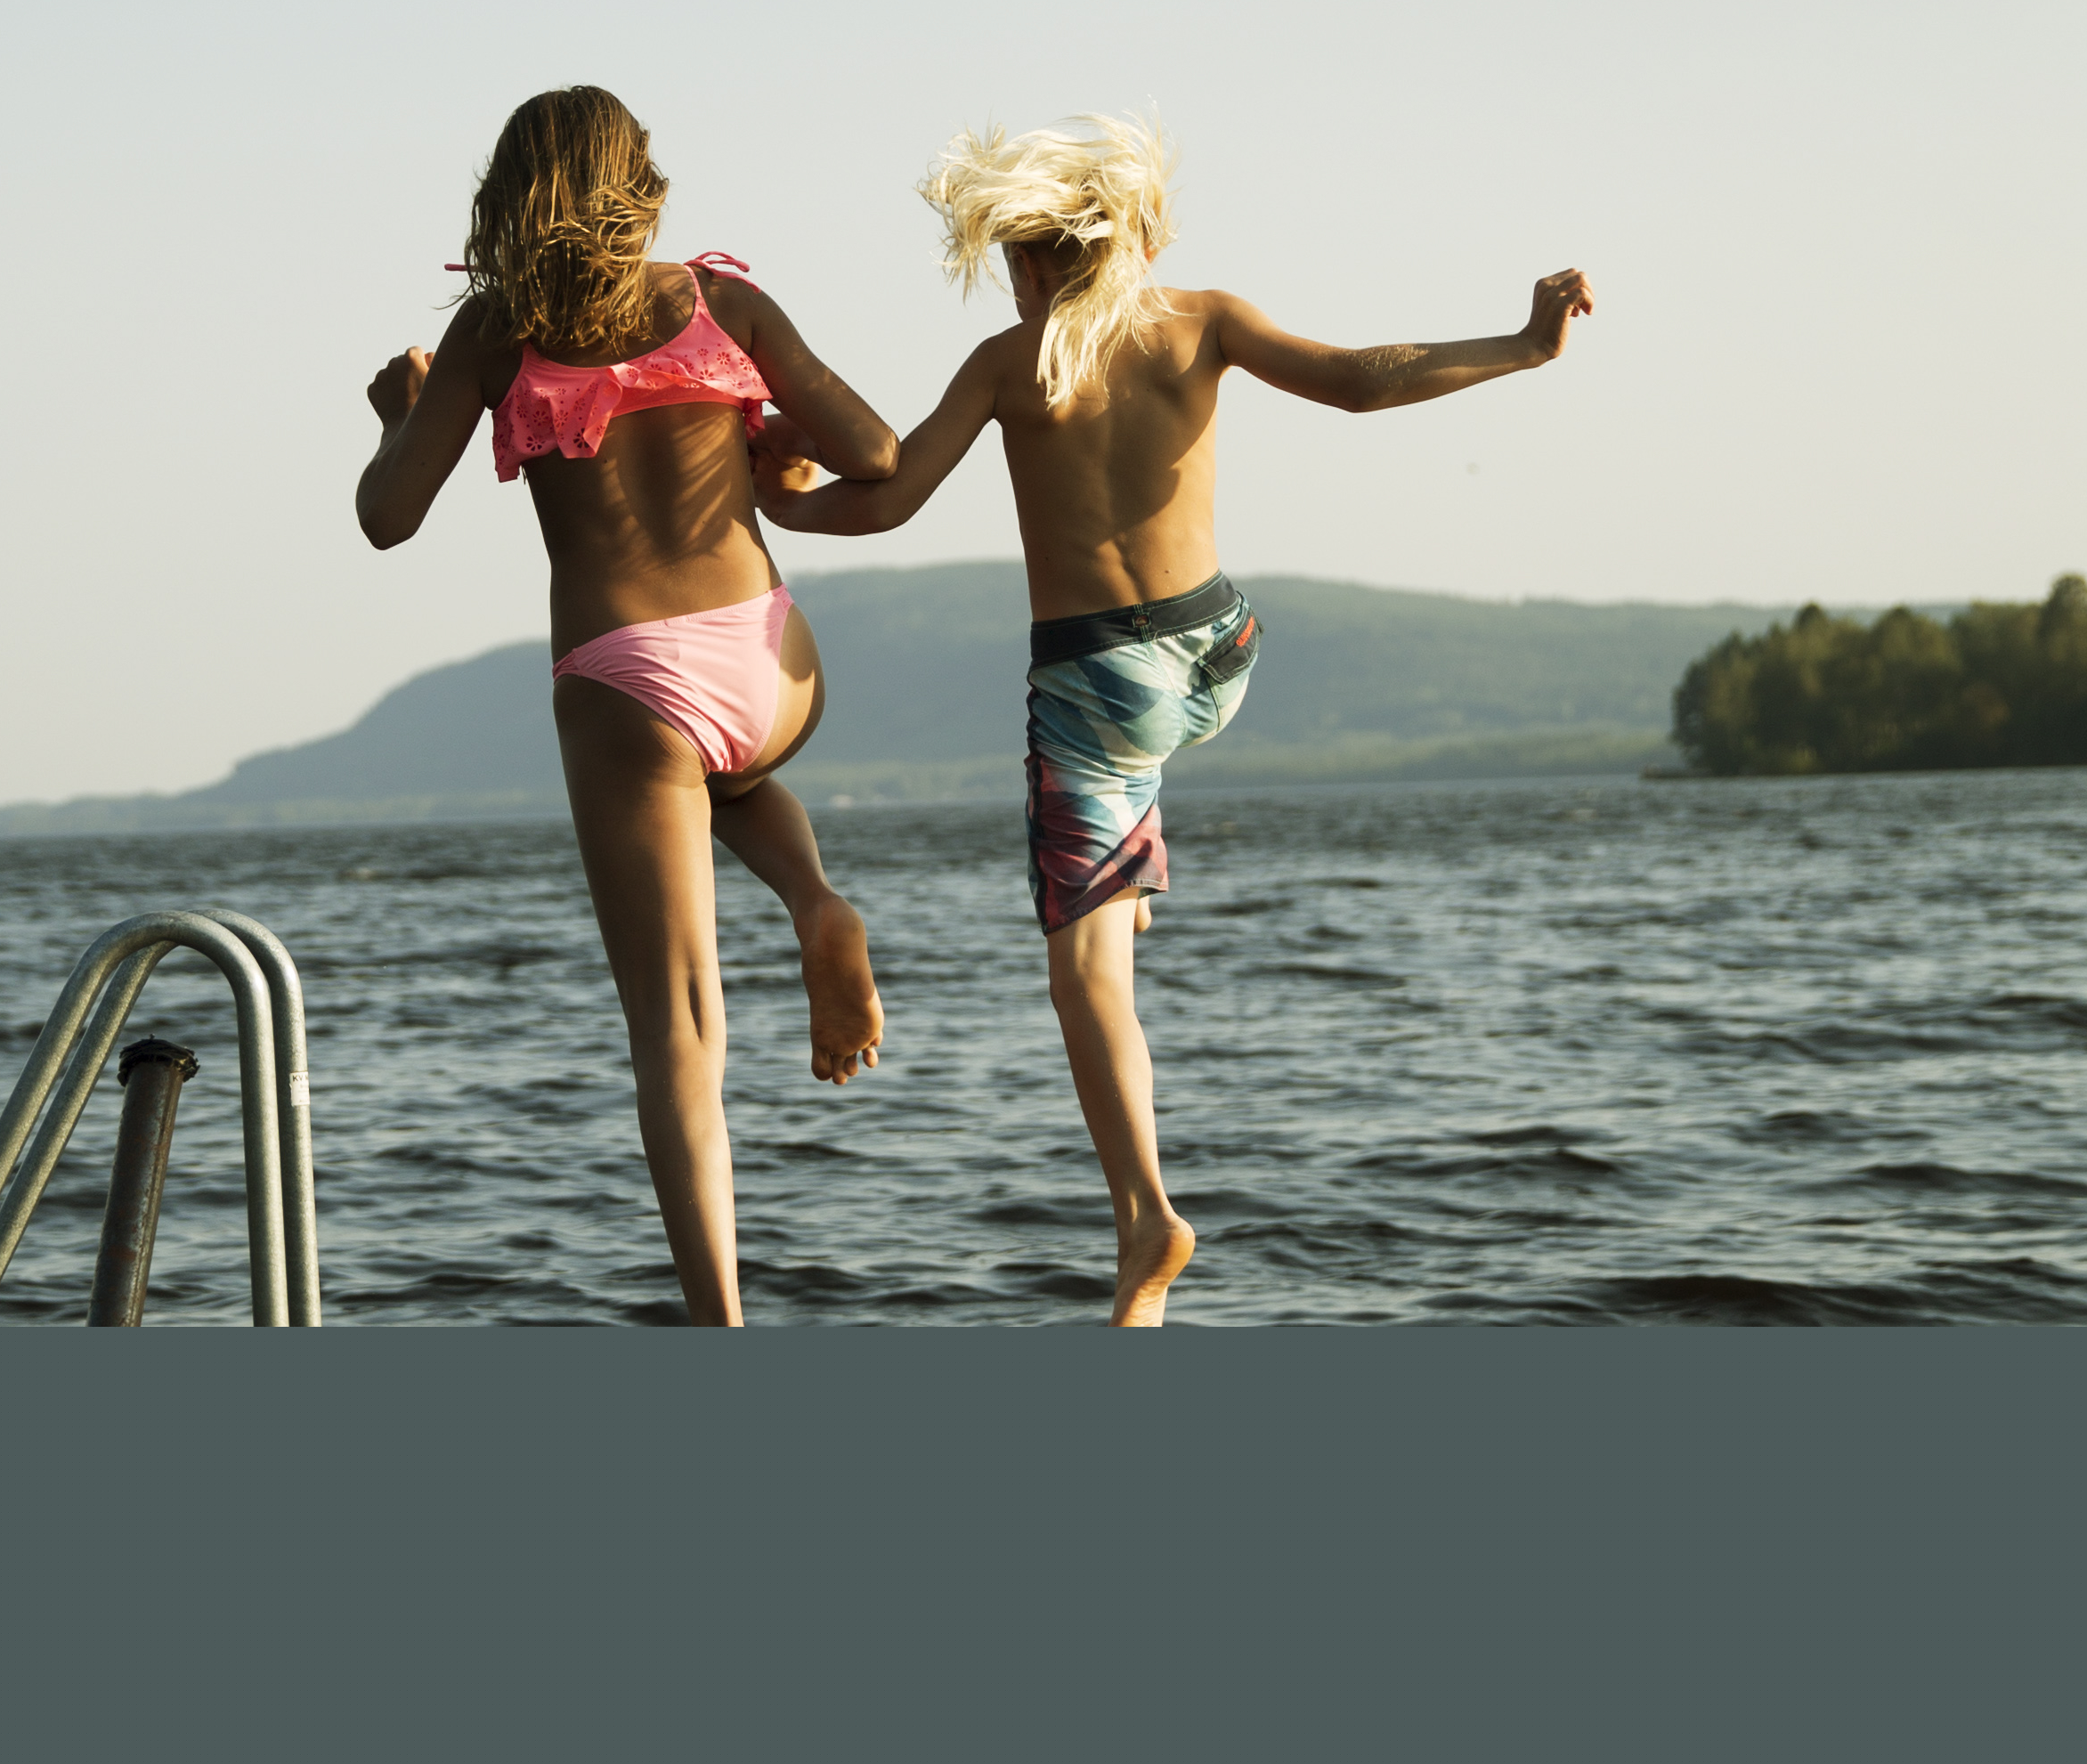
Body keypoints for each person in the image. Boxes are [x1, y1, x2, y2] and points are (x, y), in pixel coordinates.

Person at [760, 118, 1596, 1329]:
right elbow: (1362, 380)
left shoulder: (1009, 362)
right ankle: (1129, 865)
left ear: (1029, 259)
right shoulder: (1203, 319)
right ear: (1135, 241)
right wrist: (1522, 345)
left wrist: (780, 500)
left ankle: (1145, 1217)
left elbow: (887, 504)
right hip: (1219, 652)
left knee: (1086, 971)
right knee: (1125, 793)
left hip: (1101, 683)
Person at [356, 85, 900, 1327]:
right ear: (639, 182)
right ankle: (815, 901)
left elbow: (387, 518)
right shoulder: (724, 302)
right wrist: (772, 446)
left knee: (678, 1035)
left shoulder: (495, 329)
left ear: (513, 196)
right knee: (731, 778)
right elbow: (875, 452)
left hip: (626, 675)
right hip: (768, 659)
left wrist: (401, 419)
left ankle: (720, 1330)